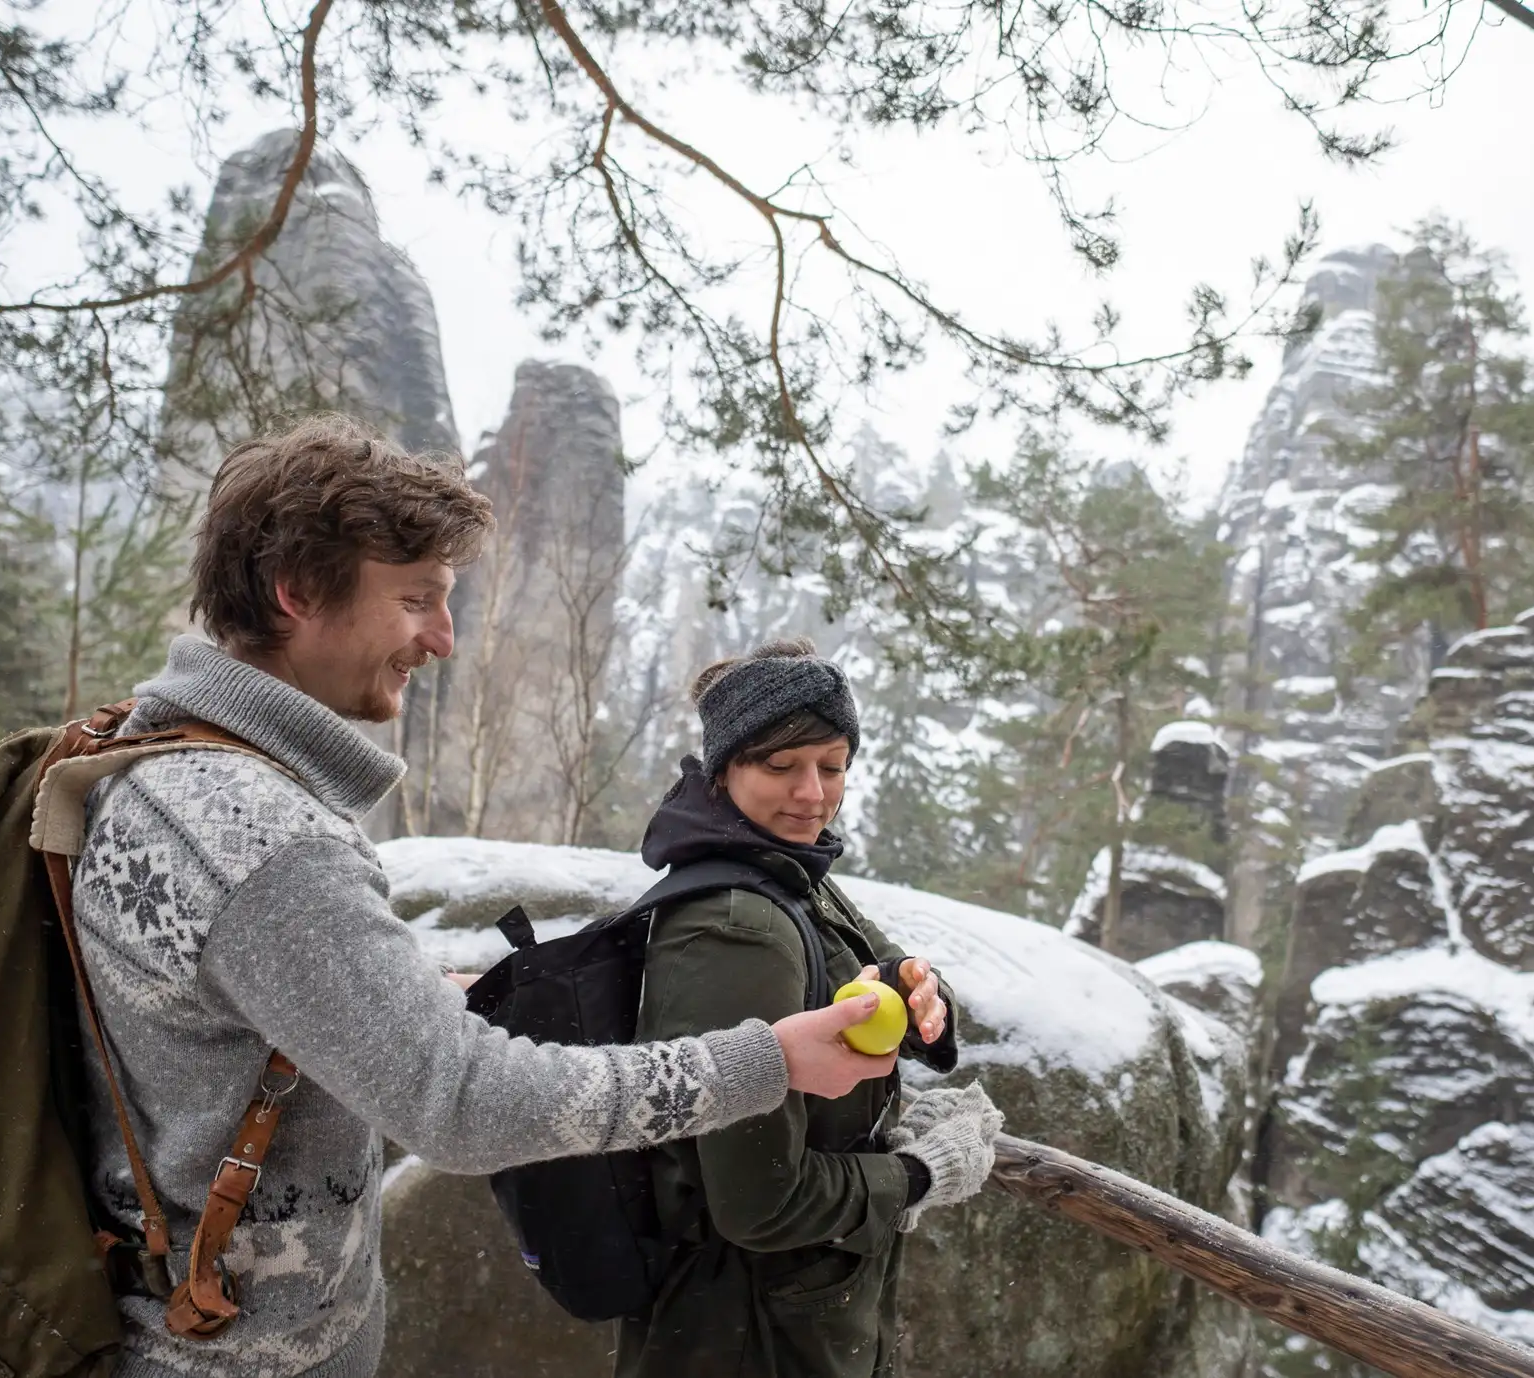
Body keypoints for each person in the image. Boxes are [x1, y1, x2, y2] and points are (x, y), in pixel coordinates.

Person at [70, 417, 897, 1378]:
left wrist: (399, 987)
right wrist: (765, 1063)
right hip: (236, 1356)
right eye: (417, 600)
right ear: (296, 594)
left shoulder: (152, 762)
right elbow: (464, 1106)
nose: (444, 638)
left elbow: (217, 982)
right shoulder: (261, 839)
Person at [614, 639, 1006, 1378]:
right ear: (724, 768)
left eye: (832, 767)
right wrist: (918, 1174)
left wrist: (919, 993)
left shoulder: (788, 873)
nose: (812, 794)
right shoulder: (737, 924)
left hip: (781, 1320)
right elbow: (757, 1201)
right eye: (780, 766)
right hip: (746, 1335)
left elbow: (873, 970)